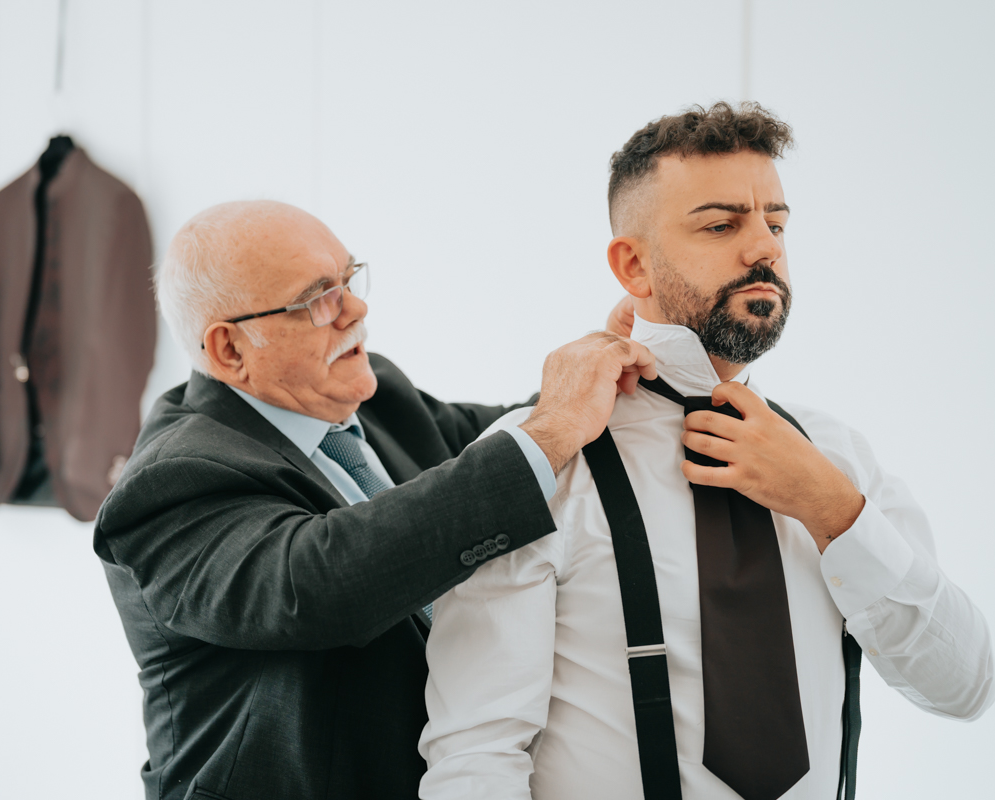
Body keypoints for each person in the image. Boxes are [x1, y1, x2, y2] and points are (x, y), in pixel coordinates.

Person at [418, 102, 995, 800]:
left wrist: (833, 510)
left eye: (775, 224)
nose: (764, 250)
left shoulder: (836, 456)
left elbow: (965, 686)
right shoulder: (543, 464)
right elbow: (476, 755)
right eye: (722, 225)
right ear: (634, 265)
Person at [92, 199, 655, 800]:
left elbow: (508, 439)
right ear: (230, 349)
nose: (356, 309)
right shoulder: (172, 480)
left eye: (348, 279)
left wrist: (614, 354)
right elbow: (319, 583)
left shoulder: (374, 394)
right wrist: (549, 432)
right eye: (318, 299)